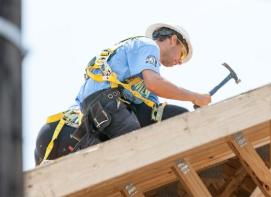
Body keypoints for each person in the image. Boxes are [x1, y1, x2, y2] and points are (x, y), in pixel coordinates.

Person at [34, 23, 211, 164]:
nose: (179, 62)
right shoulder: (148, 46)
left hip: (98, 110)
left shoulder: (140, 74)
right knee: (135, 148)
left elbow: (154, 111)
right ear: (173, 40)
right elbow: (155, 84)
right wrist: (195, 97)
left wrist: (182, 116)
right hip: (105, 101)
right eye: (181, 54)